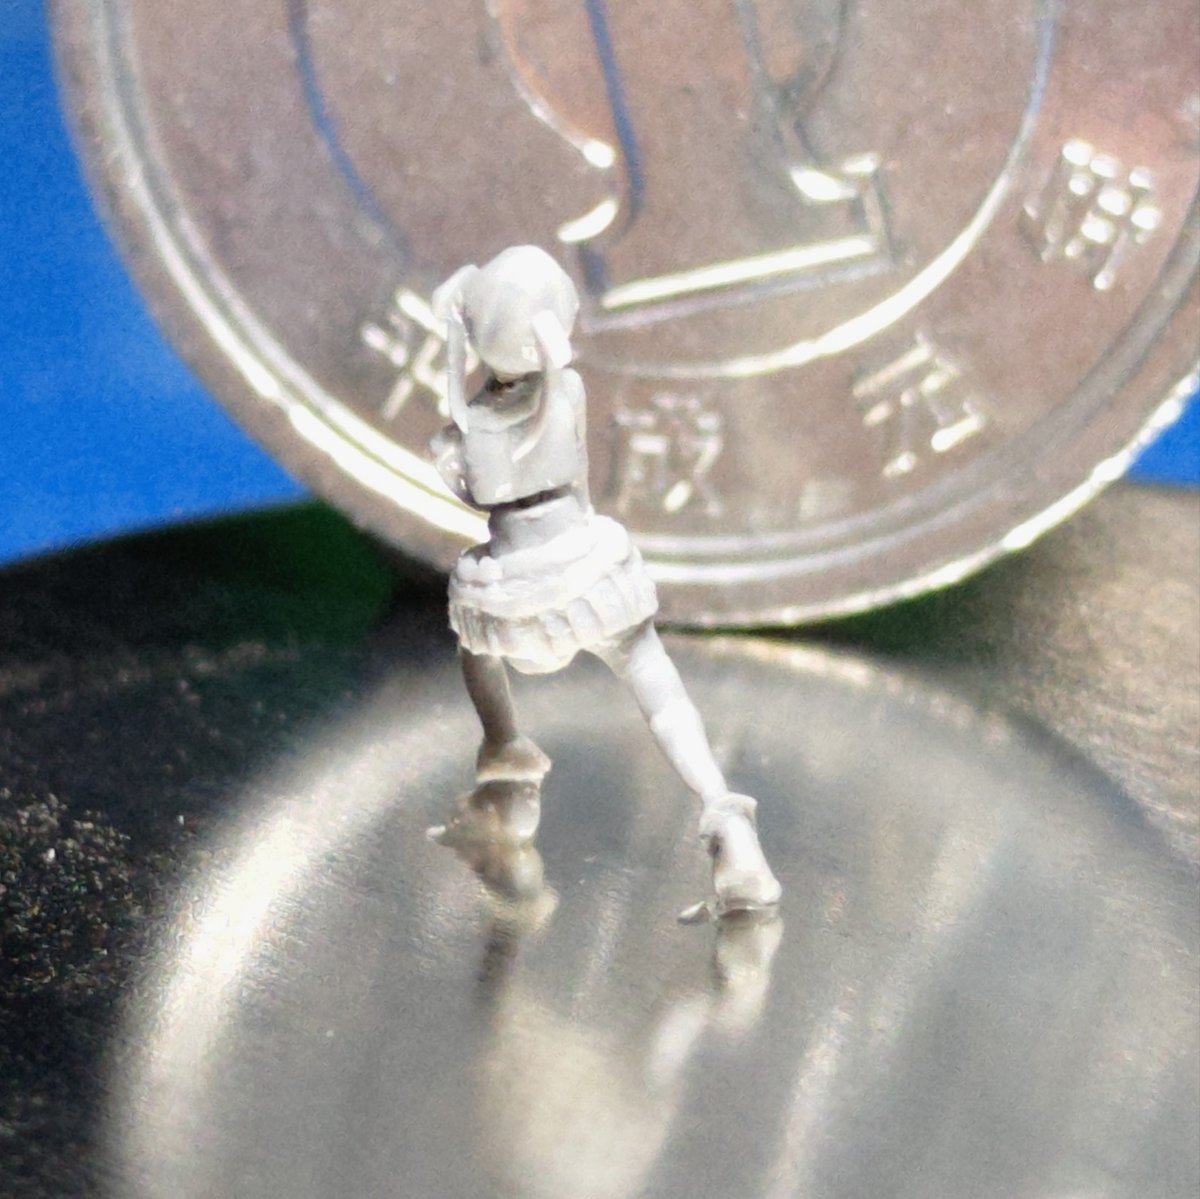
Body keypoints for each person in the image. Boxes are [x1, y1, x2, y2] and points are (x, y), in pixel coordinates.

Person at [430, 245, 780, 919]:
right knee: (658, 688)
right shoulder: (569, 393)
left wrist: (453, 433)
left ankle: (505, 758)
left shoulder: (476, 425)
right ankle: (722, 812)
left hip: (513, 593)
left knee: (478, 654)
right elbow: (578, 481)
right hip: (589, 570)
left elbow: (480, 491)